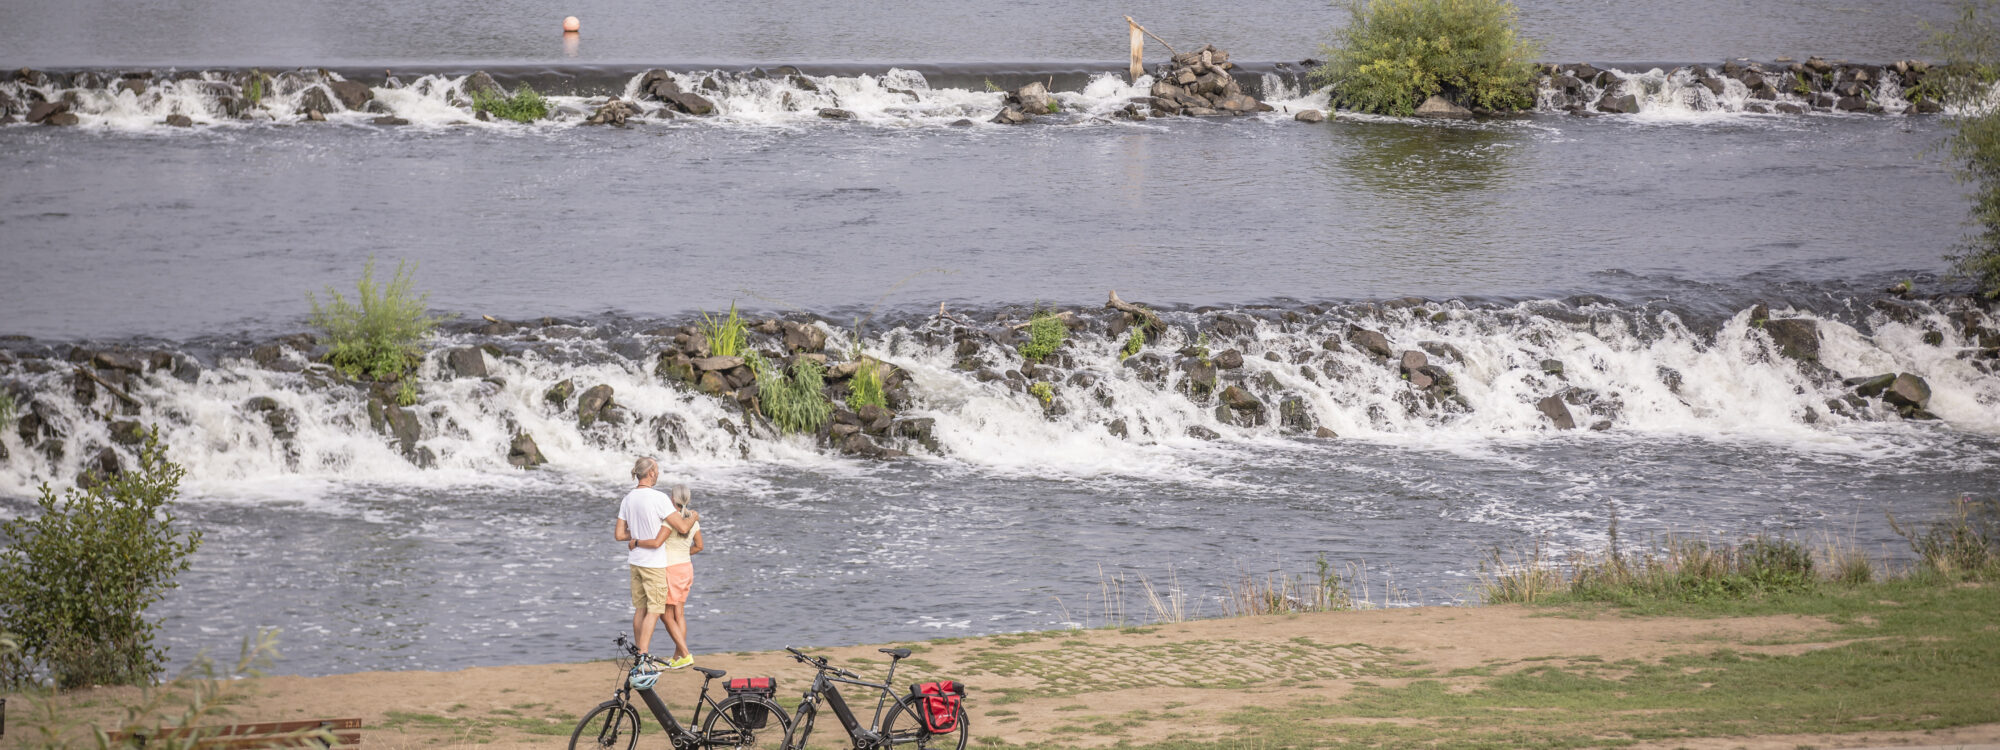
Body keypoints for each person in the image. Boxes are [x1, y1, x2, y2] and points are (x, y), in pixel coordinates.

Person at [614, 457, 698, 664]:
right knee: (656, 609)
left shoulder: (628, 499)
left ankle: (639, 654)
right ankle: (643, 656)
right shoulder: (659, 498)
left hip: (636, 561)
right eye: (657, 470)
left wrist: (636, 538)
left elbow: (619, 534)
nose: (658, 473)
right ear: (651, 472)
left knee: (640, 608)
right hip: (654, 564)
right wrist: (694, 516)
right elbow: (683, 527)